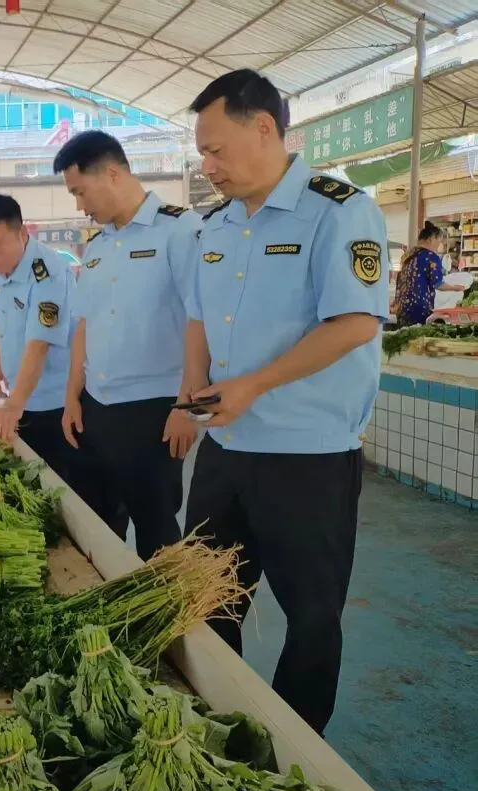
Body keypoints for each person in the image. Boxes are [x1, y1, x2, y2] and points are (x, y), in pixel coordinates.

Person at [180, 69, 390, 735]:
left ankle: (296, 751)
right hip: (227, 452)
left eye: (215, 149)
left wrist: (253, 385)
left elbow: (355, 322)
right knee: (205, 599)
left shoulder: (341, 209)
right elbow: (197, 317)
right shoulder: (214, 226)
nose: (206, 165)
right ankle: (220, 723)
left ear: (264, 128)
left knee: (311, 617)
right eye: (201, 153)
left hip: (308, 458)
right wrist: (194, 384)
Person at [53, 130, 200, 559]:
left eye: (81, 192)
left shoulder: (180, 229)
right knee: (96, 524)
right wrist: (72, 396)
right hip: (95, 407)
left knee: (155, 528)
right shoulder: (97, 247)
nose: (80, 205)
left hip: (154, 411)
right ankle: (111, 618)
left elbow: (201, 318)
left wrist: (189, 407)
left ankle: (166, 622)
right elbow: (85, 324)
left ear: (113, 173)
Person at [0, 195, 75, 481]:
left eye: (0, 243)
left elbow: (39, 344)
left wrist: (12, 406)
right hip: (22, 399)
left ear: (22, 233)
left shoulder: (48, 273)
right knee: (28, 478)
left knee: (54, 484)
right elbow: (1, 321)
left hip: (53, 405)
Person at [392, 221, 467, 326]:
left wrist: (396, 301)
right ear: (432, 239)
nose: (439, 245)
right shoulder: (431, 257)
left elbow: (400, 281)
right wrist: (456, 288)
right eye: (439, 241)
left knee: (405, 338)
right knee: (418, 339)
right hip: (419, 309)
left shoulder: (408, 256)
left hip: (403, 308)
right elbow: (438, 284)